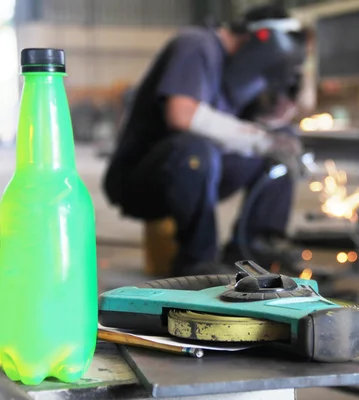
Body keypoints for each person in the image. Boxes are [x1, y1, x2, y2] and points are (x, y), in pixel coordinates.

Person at [102, 5, 307, 277]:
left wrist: (282, 113)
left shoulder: (237, 72)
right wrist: (261, 140)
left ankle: (253, 250)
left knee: (282, 143)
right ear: (260, 38)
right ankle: (197, 261)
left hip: (200, 173)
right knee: (195, 148)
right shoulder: (197, 45)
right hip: (146, 177)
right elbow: (181, 115)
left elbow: (250, 130)